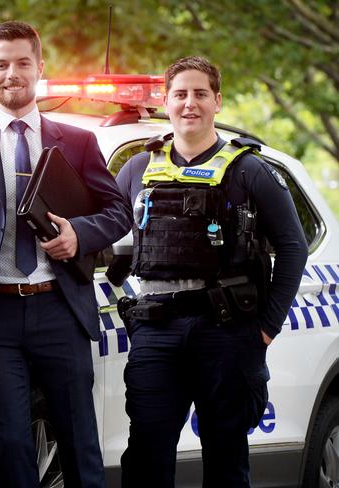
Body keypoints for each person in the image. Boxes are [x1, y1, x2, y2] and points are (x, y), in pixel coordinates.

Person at [0, 20, 125, 488]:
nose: (12, 73)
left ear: (40, 68)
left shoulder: (78, 141)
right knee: (13, 447)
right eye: (1, 64)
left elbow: (118, 210)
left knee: (79, 441)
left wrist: (79, 235)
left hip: (60, 309)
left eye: (23, 62)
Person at [114, 56, 308, 487]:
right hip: (156, 331)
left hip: (226, 330)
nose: (190, 104)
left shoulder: (250, 170)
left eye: (200, 94)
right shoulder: (136, 169)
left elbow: (293, 249)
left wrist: (266, 327)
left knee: (225, 455)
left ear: (217, 101)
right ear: (166, 102)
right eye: (180, 94)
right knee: (146, 451)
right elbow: (110, 238)